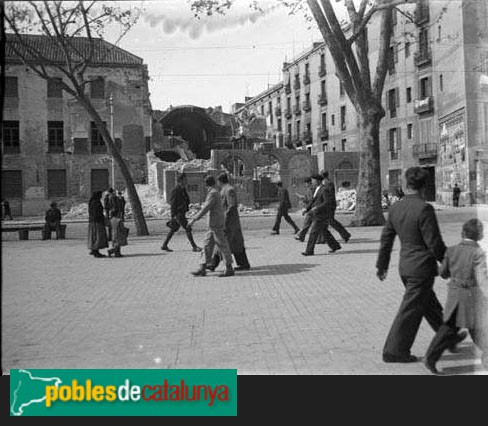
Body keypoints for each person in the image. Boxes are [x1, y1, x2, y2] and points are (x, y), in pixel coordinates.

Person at [376, 167, 467, 363]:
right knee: (410, 311)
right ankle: (394, 350)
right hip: (421, 269)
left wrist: (381, 266)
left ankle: (448, 337)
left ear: (405, 184)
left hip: (405, 267)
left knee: (428, 304)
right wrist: (449, 265)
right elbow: (434, 243)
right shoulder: (424, 208)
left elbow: (386, 239)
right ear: (424, 186)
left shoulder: (395, 208)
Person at [424, 218, 488, 374]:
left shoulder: (451, 250)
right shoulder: (478, 253)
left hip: (455, 295)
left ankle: (431, 358)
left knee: (448, 329)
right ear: (480, 236)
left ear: (462, 233)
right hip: (473, 297)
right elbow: (482, 280)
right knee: (479, 329)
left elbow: (443, 273)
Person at [188, 175, 235, 278]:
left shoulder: (213, 193)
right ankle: (202, 267)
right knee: (207, 246)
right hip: (212, 225)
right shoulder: (214, 192)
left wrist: (194, 219)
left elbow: (206, 208)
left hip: (216, 224)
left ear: (205, 185)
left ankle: (229, 268)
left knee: (222, 245)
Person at [208, 172, 251, 272]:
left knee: (222, 242)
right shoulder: (225, 189)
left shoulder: (229, 190)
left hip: (230, 222)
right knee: (237, 243)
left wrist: (225, 220)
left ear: (219, 181)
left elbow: (231, 206)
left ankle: (213, 264)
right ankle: (244, 264)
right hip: (232, 222)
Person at [301, 174, 342, 256]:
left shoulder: (324, 189)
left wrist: (317, 208)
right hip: (317, 214)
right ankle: (335, 245)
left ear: (317, 181)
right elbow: (313, 200)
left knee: (313, 232)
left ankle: (309, 251)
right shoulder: (318, 189)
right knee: (324, 231)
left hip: (321, 214)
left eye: (313, 180)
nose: (312, 182)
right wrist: (307, 209)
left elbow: (327, 202)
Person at [161, 173, 202, 253]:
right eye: (185, 179)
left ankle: (164, 245)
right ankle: (194, 247)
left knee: (173, 229)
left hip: (182, 212)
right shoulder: (176, 190)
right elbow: (173, 203)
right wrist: (173, 216)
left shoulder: (183, 189)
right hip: (178, 213)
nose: (186, 180)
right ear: (181, 180)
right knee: (188, 228)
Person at [320, 170, 351, 244]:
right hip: (327, 205)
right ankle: (324, 238)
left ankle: (345, 234)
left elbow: (329, 195)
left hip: (329, 205)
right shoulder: (325, 183)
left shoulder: (328, 183)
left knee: (330, 221)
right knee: (328, 221)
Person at [87, 191, 109, 258]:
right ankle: (96, 251)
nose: (101, 196)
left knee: (93, 236)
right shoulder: (96, 202)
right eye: (100, 195)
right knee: (97, 236)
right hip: (97, 222)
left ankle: (93, 249)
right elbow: (97, 213)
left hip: (93, 221)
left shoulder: (92, 202)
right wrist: (103, 219)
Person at [108, 191, 127, 258]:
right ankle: (113, 252)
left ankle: (116, 253)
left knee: (115, 244)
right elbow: (122, 227)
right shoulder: (119, 220)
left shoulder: (111, 220)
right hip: (119, 234)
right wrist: (124, 231)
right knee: (118, 245)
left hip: (113, 234)